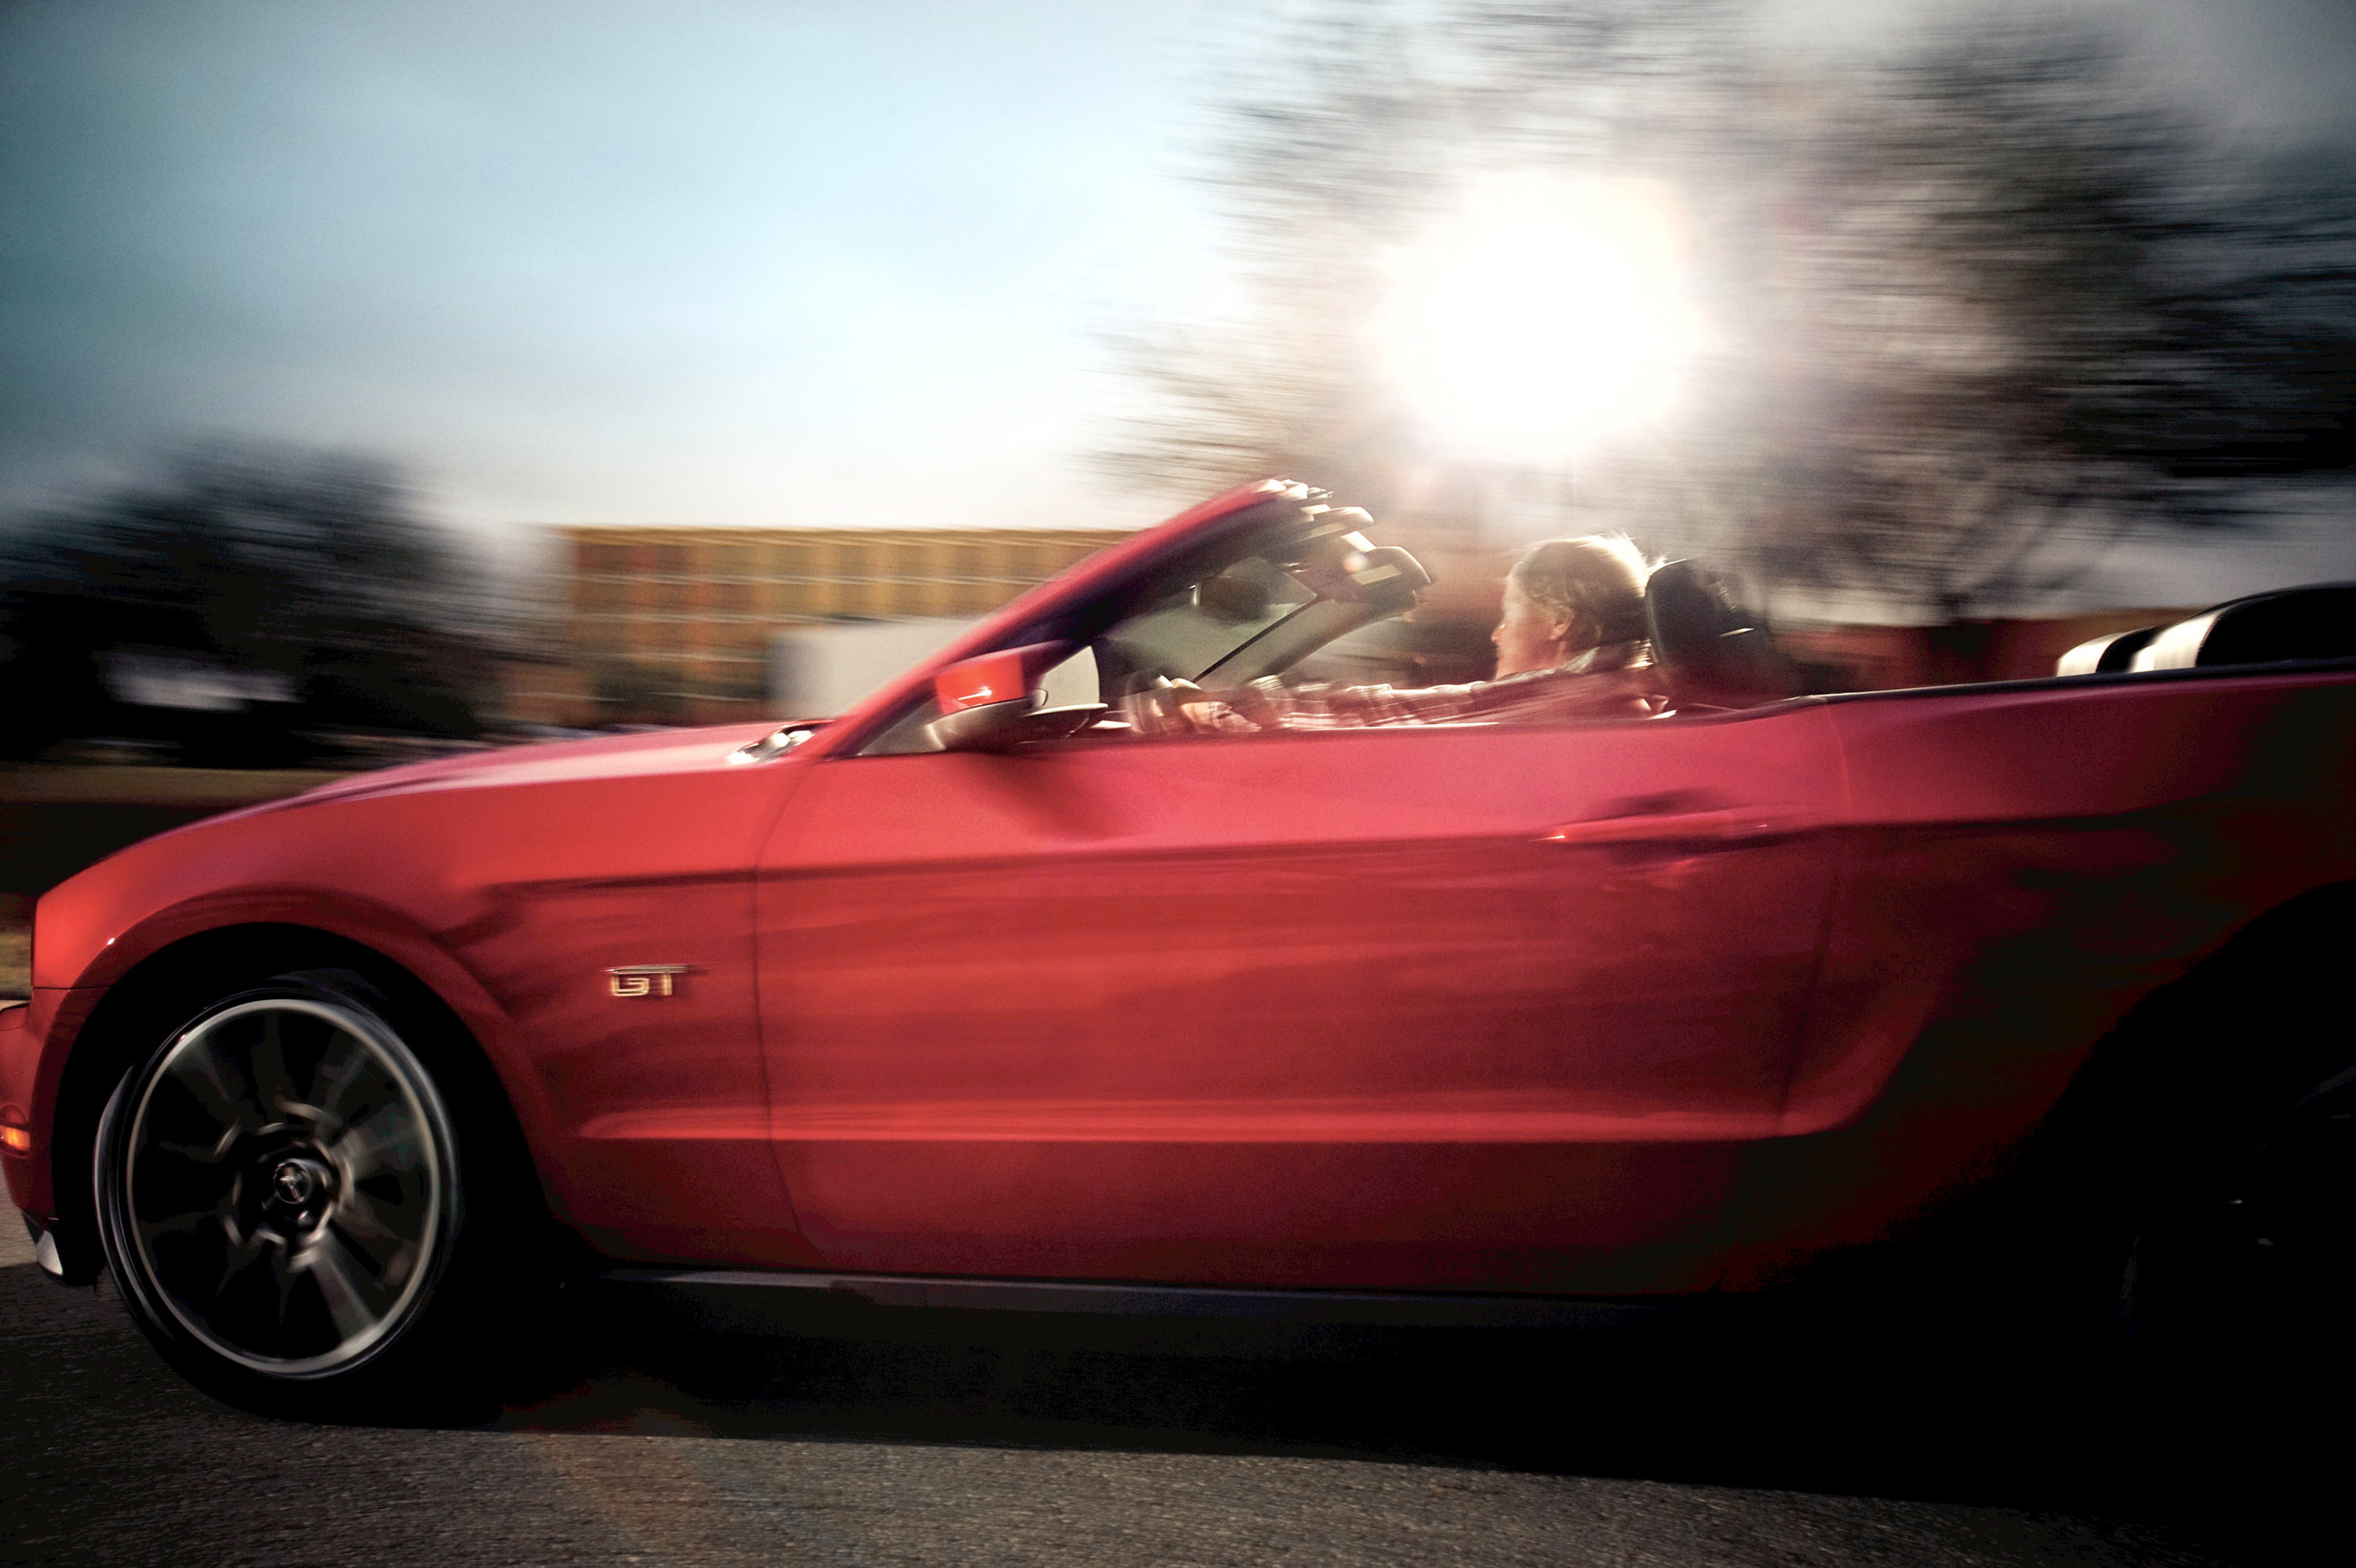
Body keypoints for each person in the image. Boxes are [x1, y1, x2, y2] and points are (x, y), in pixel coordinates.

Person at [1130, 533, 1659, 736]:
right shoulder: (1615, 695)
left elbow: (1401, 717)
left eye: (1511, 611)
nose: (1497, 634)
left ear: (1561, 619)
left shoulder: (1566, 700)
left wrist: (1213, 712)